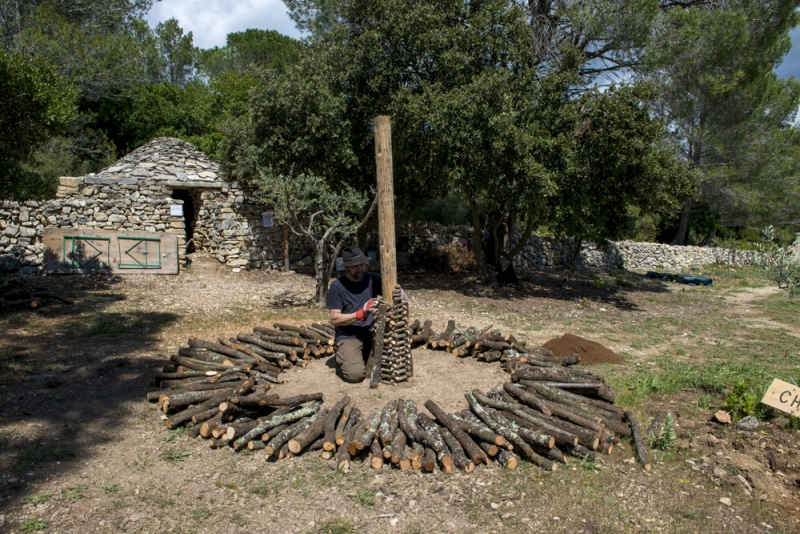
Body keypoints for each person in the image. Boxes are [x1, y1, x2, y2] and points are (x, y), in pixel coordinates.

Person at [326, 245, 396, 383]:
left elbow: (390, 292)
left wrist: (400, 293)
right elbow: (334, 319)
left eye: (362, 264)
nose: (360, 268)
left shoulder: (371, 279)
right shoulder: (337, 286)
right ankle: (343, 354)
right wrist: (360, 314)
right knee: (355, 375)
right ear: (347, 267)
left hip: (370, 331)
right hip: (349, 335)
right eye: (355, 266)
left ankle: (361, 355)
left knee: (392, 358)